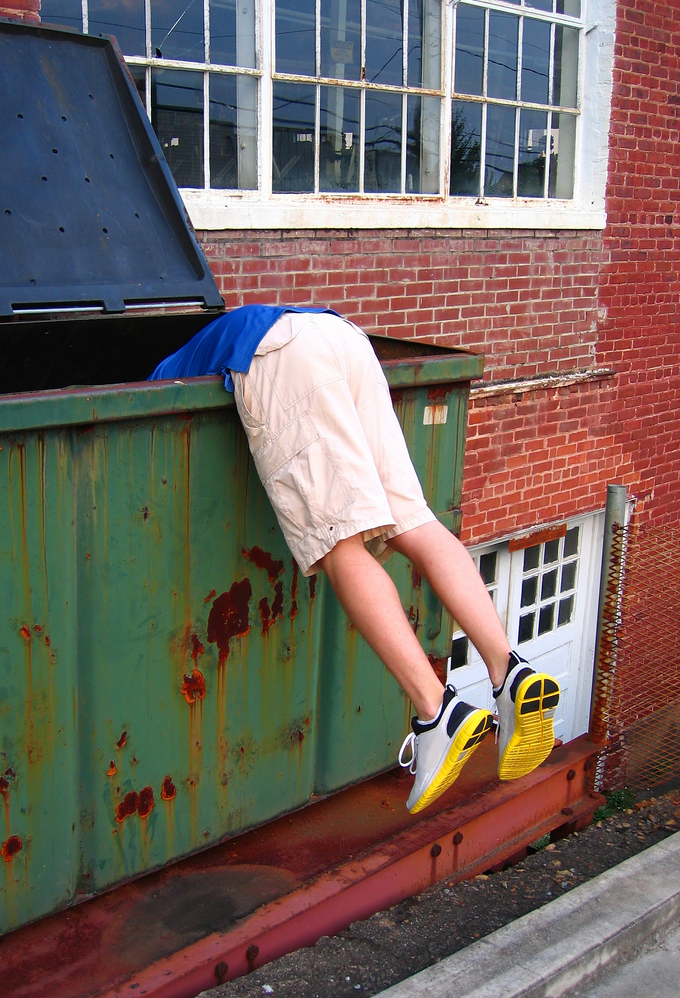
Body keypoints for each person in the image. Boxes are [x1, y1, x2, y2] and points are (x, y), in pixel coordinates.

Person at [149, 305, 560, 814]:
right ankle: (510, 673)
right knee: (415, 521)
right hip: (344, 338)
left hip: (285, 358)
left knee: (341, 544)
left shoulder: (163, 374)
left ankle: (438, 713)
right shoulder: (223, 328)